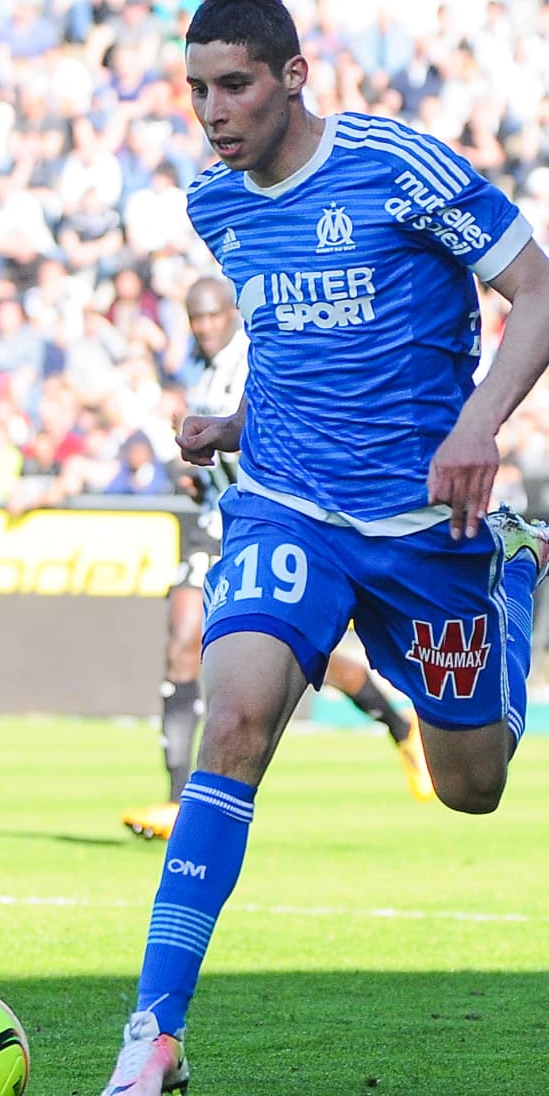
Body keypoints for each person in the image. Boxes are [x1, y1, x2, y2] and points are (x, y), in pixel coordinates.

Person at [100, 0, 549, 1095]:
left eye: (235, 85)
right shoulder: (215, 205)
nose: (212, 112)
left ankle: (508, 571)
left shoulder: (398, 167)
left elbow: (544, 295)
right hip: (285, 506)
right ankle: (151, 1039)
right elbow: (303, 349)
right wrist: (236, 425)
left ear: (294, 76)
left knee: (471, 786)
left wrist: (476, 423)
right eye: (196, 89)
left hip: (424, 528)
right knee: (235, 724)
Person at [120, 278, 433, 843]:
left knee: (309, 658)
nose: (206, 327)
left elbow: (269, 432)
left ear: (231, 315)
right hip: (216, 522)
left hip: (266, 522)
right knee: (181, 641)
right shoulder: (201, 371)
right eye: (196, 320)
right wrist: (194, 472)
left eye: (214, 316)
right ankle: (174, 801)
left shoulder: (255, 356)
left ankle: (398, 722)